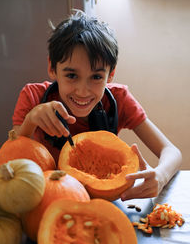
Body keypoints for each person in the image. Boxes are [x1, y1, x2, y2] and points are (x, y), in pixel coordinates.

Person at [12, 10, 182, 202]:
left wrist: (161, 176)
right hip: (47, 202)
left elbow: (172, 151)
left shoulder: (119, 98)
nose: (83, 91)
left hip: (103, 205)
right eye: (71, 75)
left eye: (96, 77)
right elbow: (12, 164)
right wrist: (30, 121)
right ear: (52, 68)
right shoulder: (32, 97)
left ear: (110, 75)